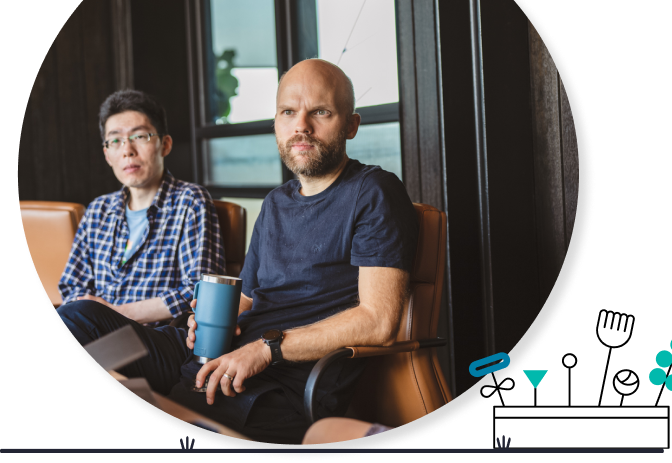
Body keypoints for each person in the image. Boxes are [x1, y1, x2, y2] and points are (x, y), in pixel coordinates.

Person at [57, 59, 419, 444]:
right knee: (79, 321)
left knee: (138, 397)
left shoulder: (374, 191)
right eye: (288, 112)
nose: (301, 125)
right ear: (276, 123)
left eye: (321, 112)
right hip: (205, 351)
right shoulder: (277, 202)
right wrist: (211, 321)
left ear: (350, 125)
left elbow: (378, 320)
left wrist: (268, 349)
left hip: (272, 380)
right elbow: (245, 298)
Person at [56, 89, 225, 326]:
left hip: (156, 340)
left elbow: (200, 291)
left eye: (139, 136)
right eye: (115, 140)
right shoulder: (98, 210)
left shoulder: (190, 201)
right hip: (97, 336)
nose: (127, 150)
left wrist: (114, 313)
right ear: (107, 155)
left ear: (165, 145)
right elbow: (72, 286)